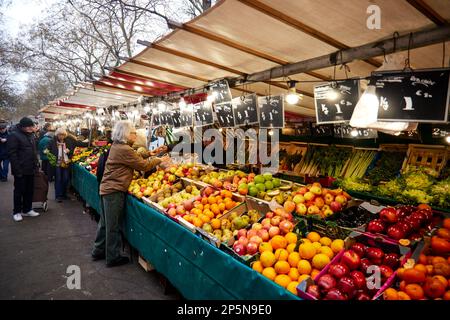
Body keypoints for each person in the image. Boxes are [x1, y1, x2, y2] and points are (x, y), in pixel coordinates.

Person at [92, 120, 169, 267]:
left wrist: (151, 153)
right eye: (134, 132)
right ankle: (113, 257)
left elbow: (135, 157)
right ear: (127, 134)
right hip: (114, 190)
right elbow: (143, 165)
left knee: (105, 224)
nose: (136, 135)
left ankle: (98, 250)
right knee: (113, 226)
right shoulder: (124, 149)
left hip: (107, 188)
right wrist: (158, 159)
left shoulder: (119, 146)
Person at [7, 117, 40, 222]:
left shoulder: (30, 135)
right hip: (20, 169)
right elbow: (12, 154)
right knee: (19, 191)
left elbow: (34, 151)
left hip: (30, 168)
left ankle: (27, 209)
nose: (31, 128)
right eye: (29, 126)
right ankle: (16, 212)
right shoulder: (14, 135)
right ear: (23, 126)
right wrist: (17, 170)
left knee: (29, 190)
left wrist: (36, 164)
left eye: (32, 126)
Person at [48, 128, 73, 202]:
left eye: (63, 135)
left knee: (65, 178)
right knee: (58, 179)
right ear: (57, 135)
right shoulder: (52, 141)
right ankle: (58, 196)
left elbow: (71, 150)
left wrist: (69, 151)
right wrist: (51, 157)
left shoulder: (68, 141)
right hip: (57, 163)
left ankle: (64, 194)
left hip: (66, 162)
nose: (61, 136)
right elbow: (47, 150)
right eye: (60, 135)